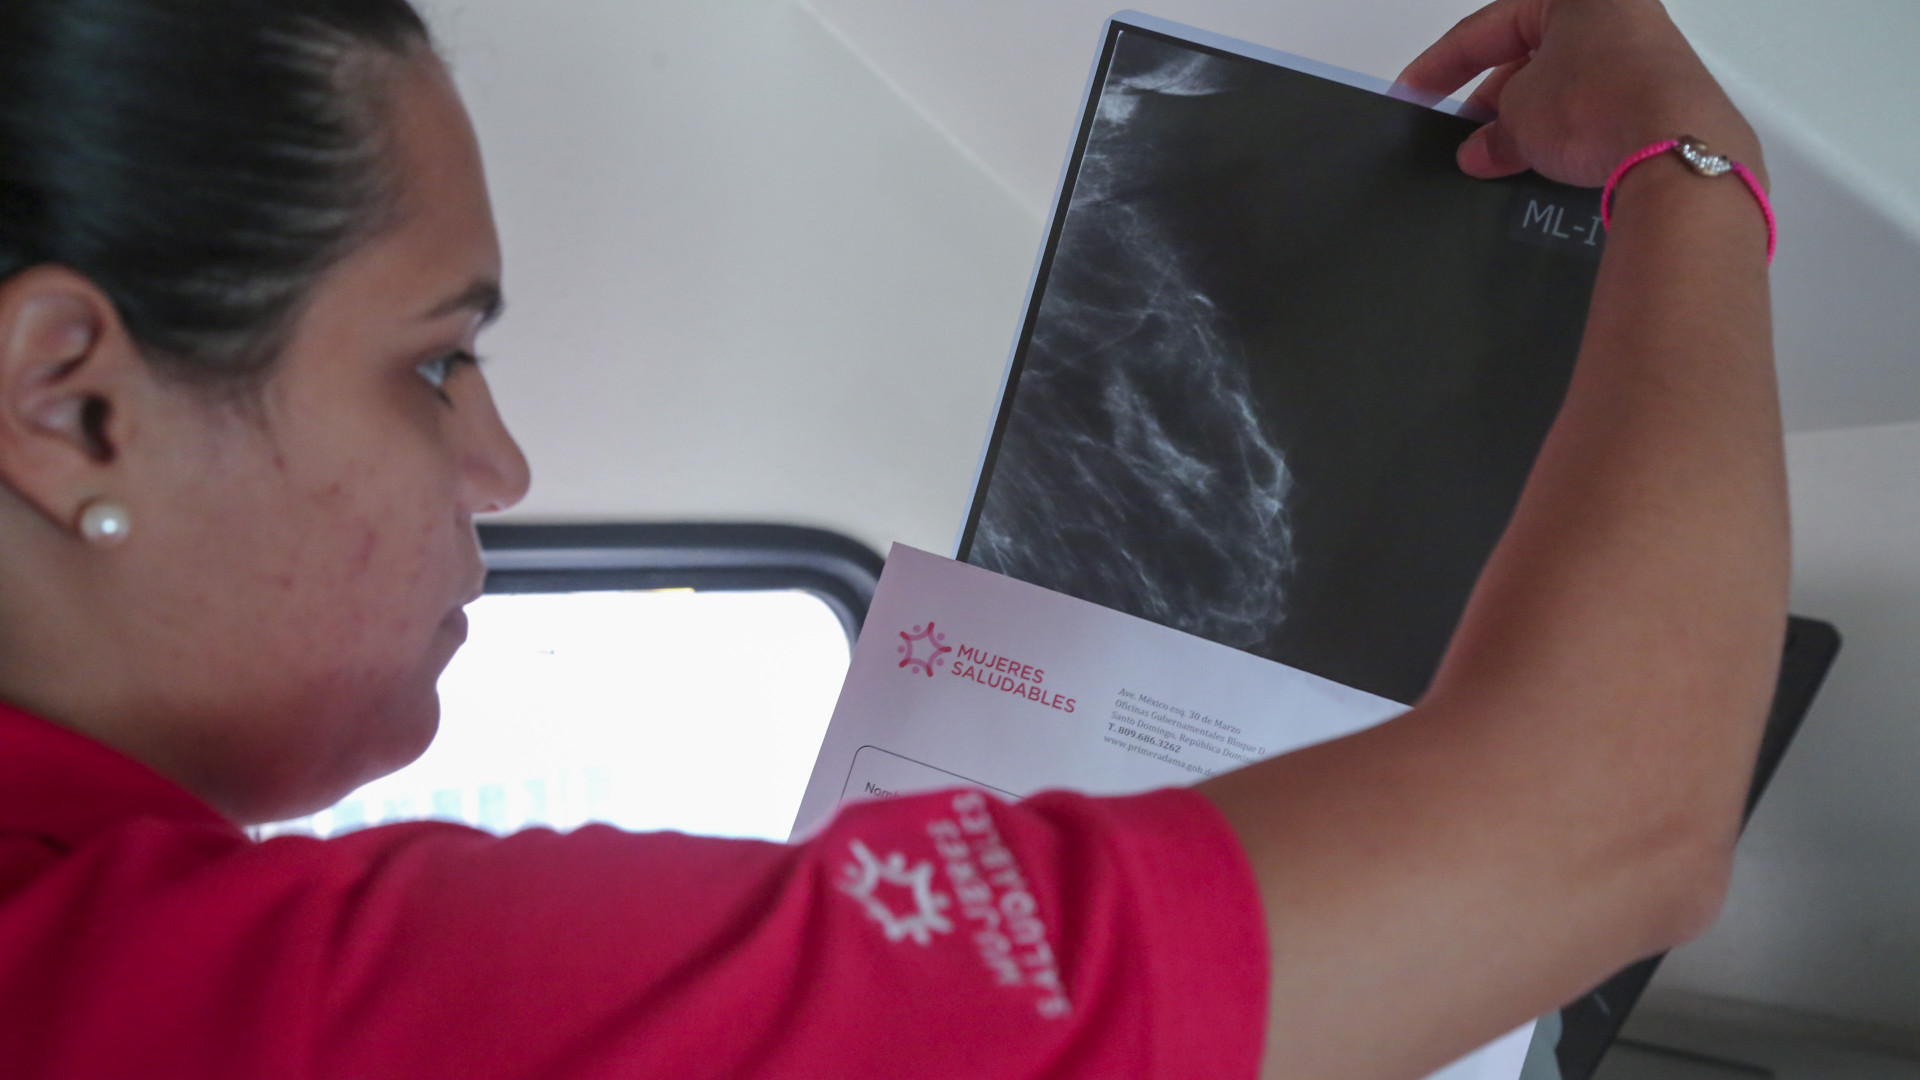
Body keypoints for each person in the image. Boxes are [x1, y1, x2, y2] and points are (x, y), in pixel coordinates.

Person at [0, 0, 1784, 1076]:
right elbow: (1605, 823)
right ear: (70, 406)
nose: (501, 462)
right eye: (434, 362)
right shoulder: (247, 1016)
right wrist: (1690, 173)